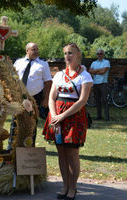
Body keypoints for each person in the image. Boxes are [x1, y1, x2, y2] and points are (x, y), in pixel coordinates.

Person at [42, 43, 93, 200]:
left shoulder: (85, 76)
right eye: (65, 53)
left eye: (71, 53)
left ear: (78, 54)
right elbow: (52, 97)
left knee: (72, 153)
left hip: (74, 118)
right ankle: (64, 186)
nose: (67, 56)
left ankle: (73, 188)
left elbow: (82, 101)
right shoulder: (59, 75)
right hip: (57, 117)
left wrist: (62, 116)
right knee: (61, 153)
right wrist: (54, 115)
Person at [8, 42, 52, 149]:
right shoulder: (18, 62)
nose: (36, 51)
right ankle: (11, 147)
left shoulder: (43, 64)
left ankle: (29, 148)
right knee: (15, 121)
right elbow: (12, 79)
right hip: (18, 97)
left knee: (32, 123)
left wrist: (46, 98)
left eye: (37, 49)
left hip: (34, 98)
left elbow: (48, 82)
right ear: (27, 51)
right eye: (33, 49)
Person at [89, 49, 110, 121]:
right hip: (95, 84)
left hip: (103, 83)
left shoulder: (106, 62)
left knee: (104, 100)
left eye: (100, 53)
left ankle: (107, 117)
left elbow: (103, 72)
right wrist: (99, 70)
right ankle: (99, 116)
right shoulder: (94, 63)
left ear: (103, 54)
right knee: (97, 100)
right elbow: (90, 71)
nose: (99, 55)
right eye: (98, 54)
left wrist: (95, 71)